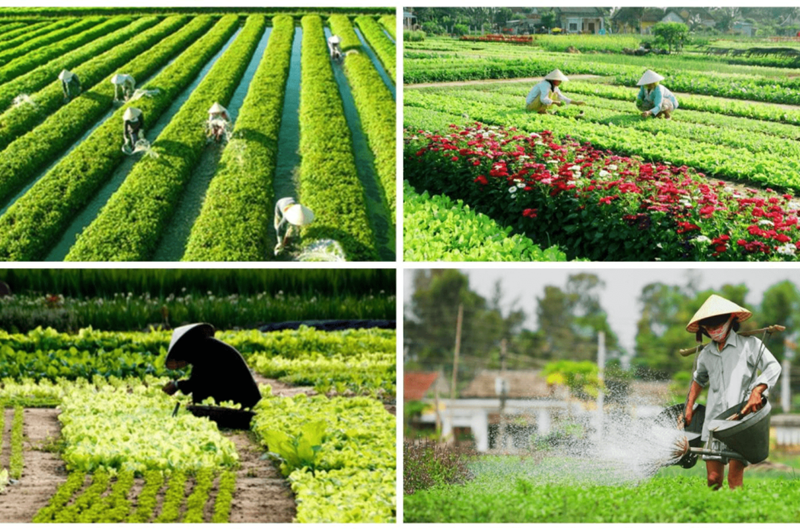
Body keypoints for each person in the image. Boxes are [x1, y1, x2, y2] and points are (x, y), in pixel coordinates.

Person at [683, 294, 781, 490]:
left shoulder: (750, 345)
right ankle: (714, 515)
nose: (714, 330)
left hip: (741, 421)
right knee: (712, 480)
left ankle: (737, 517)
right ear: (703, 329)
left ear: (731, 320)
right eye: (709, 327)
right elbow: (698, 379)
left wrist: (758, 390)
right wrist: (688, 407)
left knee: (735, 480)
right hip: (714, 423)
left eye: (718, 324)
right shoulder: (705, 354)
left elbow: (773, 367)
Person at [161, 323, 262, 409]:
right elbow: (199, 378)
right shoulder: (206, 347)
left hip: (244, 399)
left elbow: (199, 382)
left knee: (202, 389)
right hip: (244, 396)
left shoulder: (206, 350)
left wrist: (177, 385)